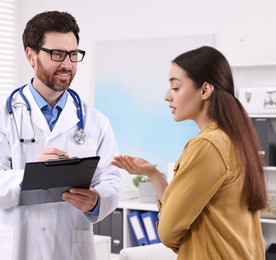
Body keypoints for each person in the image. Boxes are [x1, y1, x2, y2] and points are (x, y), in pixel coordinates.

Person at [0, 11, 121, 260]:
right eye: (57, 54)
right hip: (15, 248)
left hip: (69, 249)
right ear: (31, 55)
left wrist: (96, 201)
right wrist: (32, 175)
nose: (67, 64)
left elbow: (112, 181)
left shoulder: (96, 121)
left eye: (73, 54)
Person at [112, 46, 267, 259]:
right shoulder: (235, 139)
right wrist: (153, 174)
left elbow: (167, 232)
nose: (167, 96)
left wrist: (183, 241)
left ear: (205, 90)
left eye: (175, 88)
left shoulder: (207, 146)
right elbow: (191, 209)